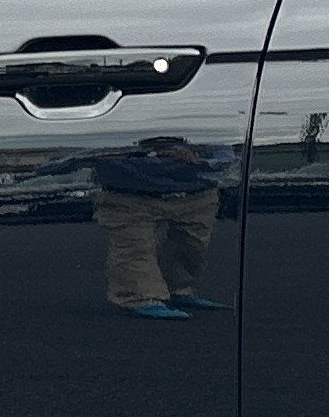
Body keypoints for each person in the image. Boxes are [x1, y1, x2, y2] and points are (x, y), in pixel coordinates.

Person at [90, 135, 227, 318]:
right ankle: (137, 296)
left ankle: (176, 288)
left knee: (192, 245)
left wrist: (199, 158)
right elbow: (92, 151)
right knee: (135, 249)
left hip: (197, 193)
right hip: (128, 194)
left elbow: (224, 154)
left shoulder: (204, 116)